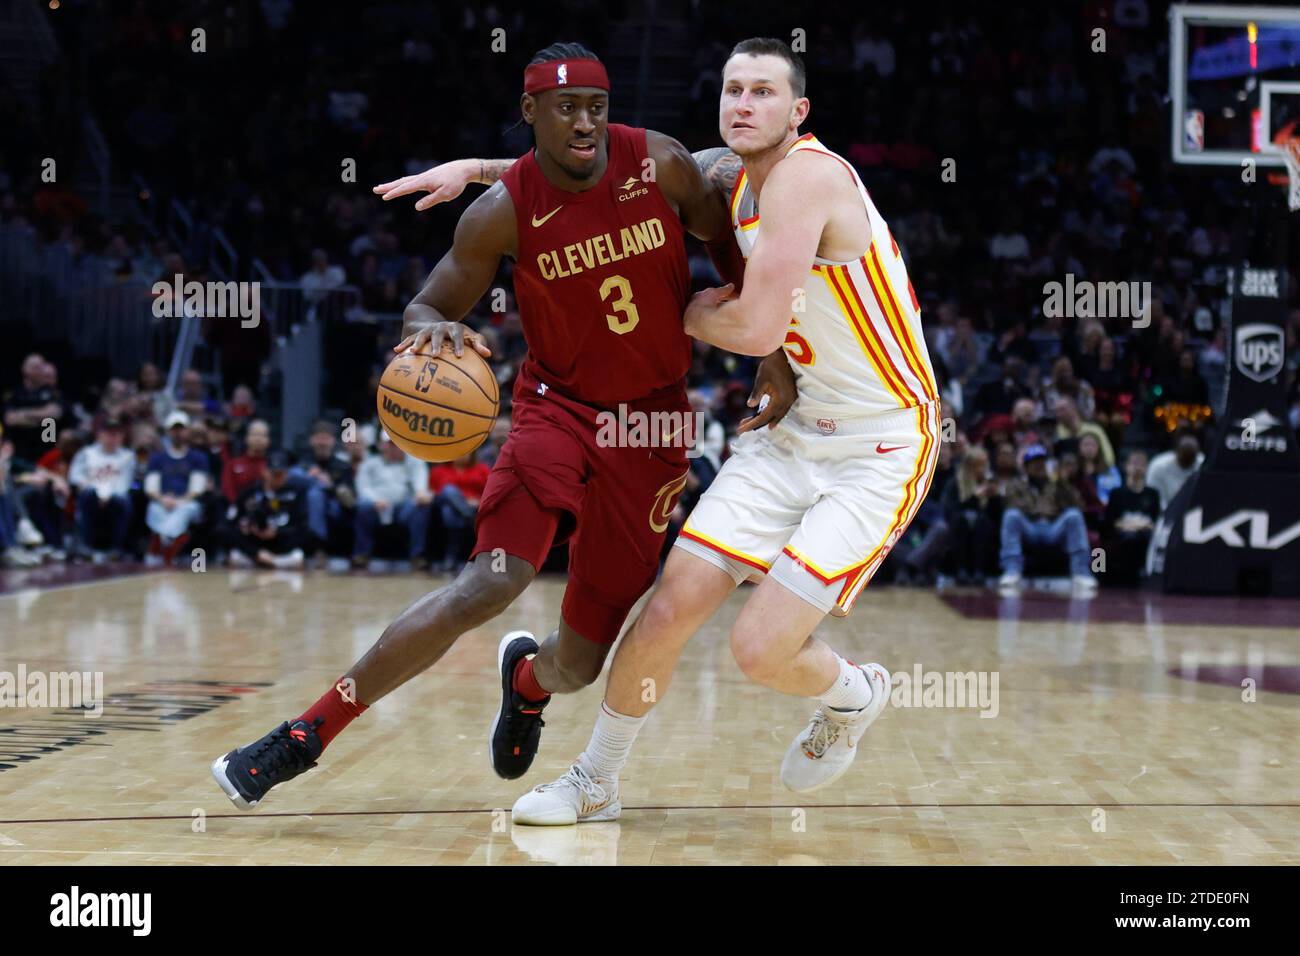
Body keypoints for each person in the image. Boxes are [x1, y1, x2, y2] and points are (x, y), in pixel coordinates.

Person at [210, 41, 795, 810]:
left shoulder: (661, 163)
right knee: (489, 582)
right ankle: (306, 733)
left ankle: (526, 683)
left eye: (596, 107)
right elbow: (427, 304)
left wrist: (773, 351)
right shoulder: (502, 212)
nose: (584, 123)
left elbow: (728, 246)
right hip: (558, 408)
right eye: (565, 108)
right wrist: (434, 331)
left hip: (653, 427)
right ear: (530, 112)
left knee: (579, 665)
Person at [462, 37, 940, 823]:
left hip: (880, 443)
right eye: (733, 90)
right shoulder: (724, 173)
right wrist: (475, 171)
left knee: (758, 650)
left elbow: (754, 330)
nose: (743, 104)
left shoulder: (809, 178)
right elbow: (587, 168)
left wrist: (674, 312)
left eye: (763, 92)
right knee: (669, 606)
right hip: (795, 430)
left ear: (799, 110)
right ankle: (596, 780)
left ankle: (855, 695)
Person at [997, 444, 1096, 595]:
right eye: (1035, 462)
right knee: (1011, 516)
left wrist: (1062, 483)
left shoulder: (1057, 484)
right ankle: (1012, 571)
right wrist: (1039, 510)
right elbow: (1011, 504)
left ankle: (1081, 573)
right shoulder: (1015, 484)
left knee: (1074, 515)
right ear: (1026, 466)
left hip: (1052, 528)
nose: (1039, 465)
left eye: (1042, 461)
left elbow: (1078, 505)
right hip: (1029, 527)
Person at [352, 432, 431, 568]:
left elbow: (420, 482)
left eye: (398, 443)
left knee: (420, 506)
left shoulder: (414, 461)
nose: (395, 447)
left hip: (403, 507)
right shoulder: (370, 463)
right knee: (363, 505)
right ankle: (361, 554)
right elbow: (362, 487)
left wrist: (420, 493)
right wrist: (375, 500)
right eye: (391, 443)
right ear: (382, 445)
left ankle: (417, 556)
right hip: (376, 507)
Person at [143, 411, 209, 566]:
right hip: (162, 501)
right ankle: (170, 545)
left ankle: (163, 545)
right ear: (168, 431)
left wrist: (180, 501)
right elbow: (151, 486)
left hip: (187, 502)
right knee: (154, 509)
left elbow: (197, 488)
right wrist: (163, 499)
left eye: (181, 429)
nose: (178, 433)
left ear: (188, 431)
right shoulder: (157, 458)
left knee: (185, 511)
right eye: (174, 429)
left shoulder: (198, 458)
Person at [225, 450, 310, 569]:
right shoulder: (249, 494)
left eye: (281, 474)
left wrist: (277, 532)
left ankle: (271, 562)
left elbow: (303, 529)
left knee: (297, 558)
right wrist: (255, 550)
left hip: (282, 552)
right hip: (252, 551)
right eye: (274, 474)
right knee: (234, 557)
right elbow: (229, 527)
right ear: (265, 471)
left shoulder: (296, 495)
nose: (277, 478)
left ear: (287, 473)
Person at [68, 419, 136, 561]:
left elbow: (126, 481)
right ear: (100, 435)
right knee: (87, 496)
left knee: (124, 501)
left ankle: (116, 548)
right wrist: (92, 489)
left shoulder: (128, 456)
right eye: (108, 434)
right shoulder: (86, 453)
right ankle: (86, 547)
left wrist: (107, 495)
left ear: (121, 437)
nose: (112, 438)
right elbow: (75, 476)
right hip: (91, 492)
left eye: (116, 434)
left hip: (115, 495)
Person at [1102, 449, 1160, 586]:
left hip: (1144, 534)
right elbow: (1110, 521)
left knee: (1145, 537)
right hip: (1122, 535)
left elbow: (1156, 521)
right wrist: (1130, 525)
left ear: (1147, 468)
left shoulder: (1153, 494)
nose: (1137, 467)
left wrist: (1141, 526)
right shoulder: (1116, 493)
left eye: (1141, 464)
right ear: (1126, 467)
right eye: (1134, 463)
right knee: (1129, 538)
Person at [1146, 431, 1203, 511]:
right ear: (1176, 452)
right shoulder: (1158, 466)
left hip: (1195, 512)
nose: (1188, 460)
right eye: (1185, 456)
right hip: (1164, 513)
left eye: (1191, 457)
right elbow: (1154, 498)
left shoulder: (1202, 464)